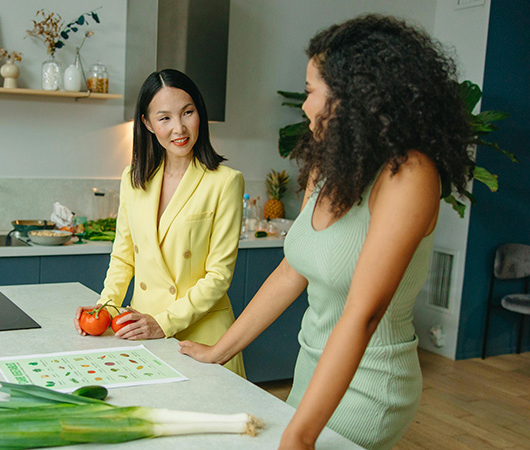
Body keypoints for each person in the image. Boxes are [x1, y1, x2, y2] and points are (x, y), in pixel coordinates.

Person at [178, 15, 474, 449]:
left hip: (370, 386)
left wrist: (300, 436)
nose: (305, 104)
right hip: (313, 372)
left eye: (312, 90)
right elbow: (291, 271)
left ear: (353, 96)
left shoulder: (410, 175)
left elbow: (363, 314)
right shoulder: (331, 165)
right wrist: (218, 351)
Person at [73, 69, 246, 377]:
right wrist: (104, 309)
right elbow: (124, 257)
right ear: (147, 124)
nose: (179, 128)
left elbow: (218, 276)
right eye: (164, 118)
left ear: (199, 114)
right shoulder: (133, 177)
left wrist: (163, 323)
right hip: (142, 327)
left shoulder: (225, 182)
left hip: (203, 335)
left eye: (187, 113)